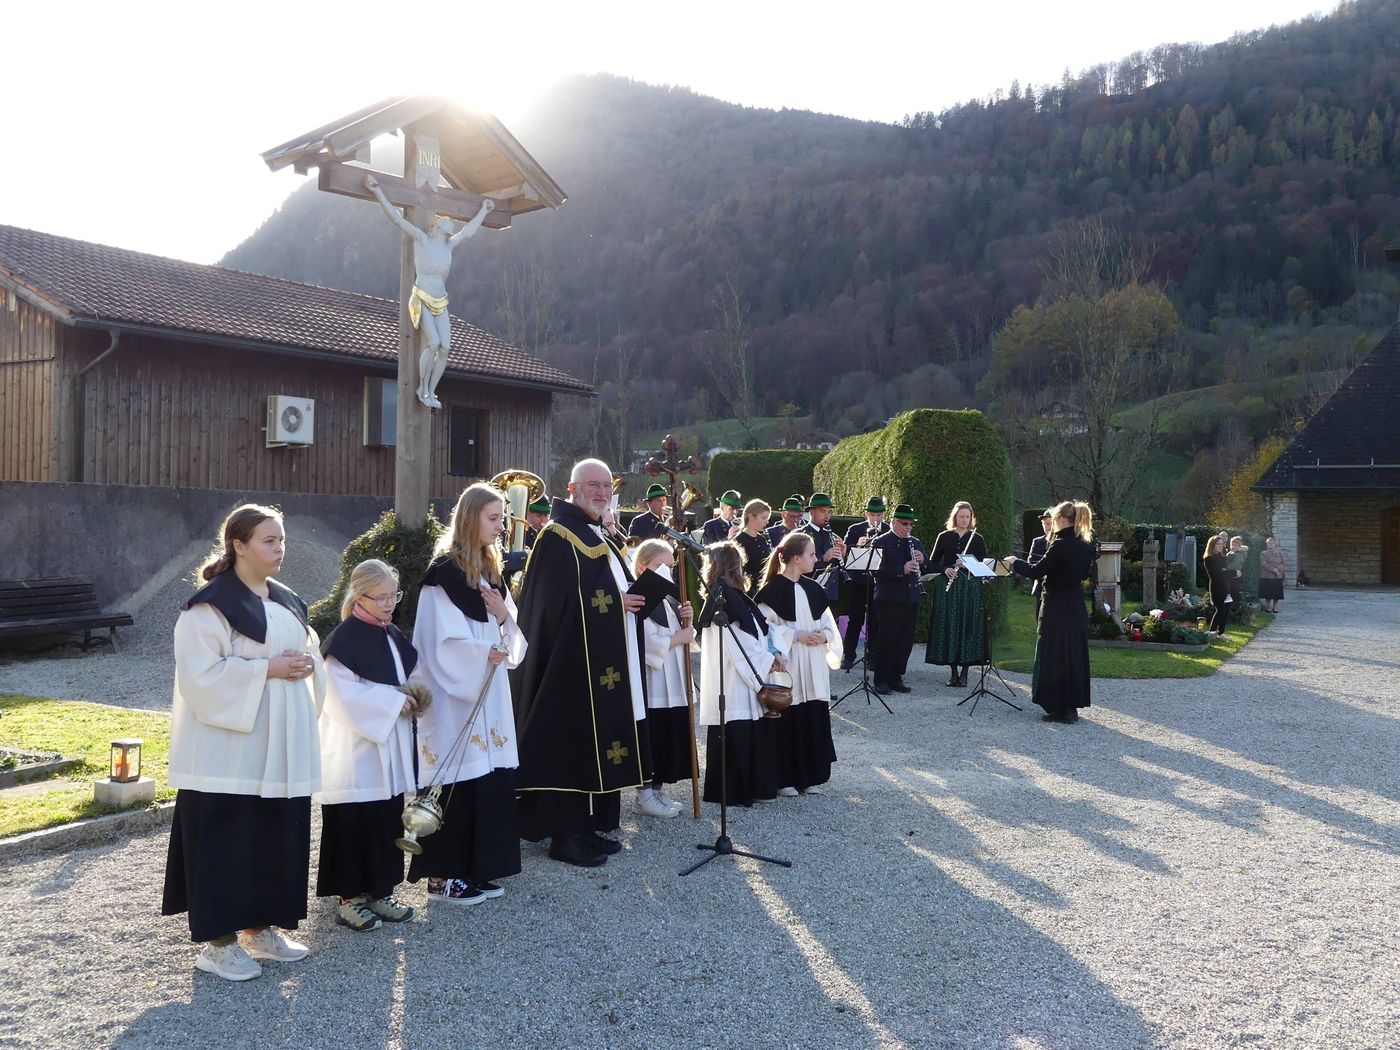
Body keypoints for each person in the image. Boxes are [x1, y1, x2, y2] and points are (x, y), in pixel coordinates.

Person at [162, 504, 324, 983]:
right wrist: (269, 669)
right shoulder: (210, 607)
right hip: (229, 750)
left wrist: (308, 663)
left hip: (279, 746)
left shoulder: (287, 599)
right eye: (269, 541)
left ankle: (260, 929)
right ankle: (218, 945)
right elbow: (200, 676)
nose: (280, 548)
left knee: (272, 834)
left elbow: (308, 650)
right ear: (239, 545)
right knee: (226, 839)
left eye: (281, 539)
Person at [510, 459, 650, 868]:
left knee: (592, 743)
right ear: (572, 489)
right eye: (593, 485)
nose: (602, 492)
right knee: (569, 742)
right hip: (568, 665)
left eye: (607, 486)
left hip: (599, 660)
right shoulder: (558, 536)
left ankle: (585, 826)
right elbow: (552, 603)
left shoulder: (593, 532)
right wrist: (615, 603)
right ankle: (565, 835)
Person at [412, 483, 528, 904]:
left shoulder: (489, 570)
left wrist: (502, 615)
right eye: (493, 519)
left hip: (488, 692)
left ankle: (475, 868)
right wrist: (484, 652)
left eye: (502, 518)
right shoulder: (443, 574)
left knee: (486, 779)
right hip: (454, 697)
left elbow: (510, 628)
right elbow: (437, 643)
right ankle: (442, 878)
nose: (501, 527)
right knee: (457, 780)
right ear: (469, 518)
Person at [314, 560, 424, 932]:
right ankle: (350, 899)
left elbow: (407, 676)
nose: (390, 603)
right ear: (360, 597)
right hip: (355, 752)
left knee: (384, 819)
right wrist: (393, 702)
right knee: (353, 824)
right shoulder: (344, 640)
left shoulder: (391, 634)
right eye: (382, 597)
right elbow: (340, 697)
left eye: (395, 595)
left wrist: (413, 696)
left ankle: (381, 892)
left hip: (387, 748)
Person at [364, 174, 494, 409]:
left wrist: (484, 211)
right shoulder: (422, 239)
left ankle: (432, 391)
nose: (452, 224)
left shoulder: (449, 246)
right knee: (433, 343)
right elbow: (397, 218)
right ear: (438, 225)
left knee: (445, 347)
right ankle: (422, 388)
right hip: (422, 296)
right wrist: (377, 191)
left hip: (440, 300)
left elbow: (468, 232)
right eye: (448, 221)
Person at [696, 542, 784, 806]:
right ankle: (735, 791)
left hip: (739, 674)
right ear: (734, 565)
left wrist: (769, 654)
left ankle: (746, 788)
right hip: (733, 677)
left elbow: (755, 630)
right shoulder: (725, 597)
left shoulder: (731, 595)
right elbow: (737, 643)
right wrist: (767, 661)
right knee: (736, 727)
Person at [755, 533, 840, 795]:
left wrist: (824, 636)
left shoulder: (814, 589)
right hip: (789, 663)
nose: (816, 558)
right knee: (788, 717)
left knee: (812, 714)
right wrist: (795, 635)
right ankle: (784, 779)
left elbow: (829, 624)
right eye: (811, 554)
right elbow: (763, 630)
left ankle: (809, 777)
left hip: (813, 663)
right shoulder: (771, 591)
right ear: (795, 558)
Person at [1004, 500, 1096, 723]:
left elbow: (1036, 571)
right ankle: (1071, 707)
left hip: (1056, 608)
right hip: (1075, 607)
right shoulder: (1086, 545)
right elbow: (1084, 574)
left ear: (1061, 519)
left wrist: (1015, 562)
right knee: (1073, 658)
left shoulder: (1060, 544)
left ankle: (1060, 708)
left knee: (1055, 658)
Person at [631, 539, 694, 818]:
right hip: (654, 680)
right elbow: (643, 642)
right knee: (653, 735)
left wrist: (687, 620)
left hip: (673, 679)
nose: (666, 571)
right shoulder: (639, 598)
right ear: (642, 568)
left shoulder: (668, 599)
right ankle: (644, 795)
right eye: (659, 566)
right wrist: (678, 638)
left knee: (669, 733)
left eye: (670, 566)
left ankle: (657, 790)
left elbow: (683, 634)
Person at [925, 501, 989, 688]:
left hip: (970, 588)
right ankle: (953, 673)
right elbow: (932, 563)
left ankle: (965, 673)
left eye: (967, 517)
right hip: (949, 588)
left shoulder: (977, 539)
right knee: (950, 626)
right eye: (961, 516)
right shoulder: (944, 536)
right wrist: (945, 569)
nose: (964, 520)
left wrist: (968, 564)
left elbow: (984, 564)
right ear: (955, 517)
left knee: (968, 626)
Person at [870, 504, 925, 695]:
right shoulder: (881, 542)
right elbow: (876, 571)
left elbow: (925, 567)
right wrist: (902, 569)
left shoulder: (915, 542)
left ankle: (896, 676)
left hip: (910, 598)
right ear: (893, 522)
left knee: (905, 641)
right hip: (889, 599)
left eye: (911, 524)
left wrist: (922, 560)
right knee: (887, 639)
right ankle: (881, 679)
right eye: (904, 523)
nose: (908, 527)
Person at [841, 496, 888, 671]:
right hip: (858, 581)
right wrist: (856, 545)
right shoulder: (855, 529)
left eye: (879, 515)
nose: (875, 519)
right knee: (855, 619)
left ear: (883, 514)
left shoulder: (888, 530)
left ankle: (873, 656)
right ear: (865, 513)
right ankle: (849, 655)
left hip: (878, 582)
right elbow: (844, 554)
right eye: (872, 515)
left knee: (876, 621)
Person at [801, 493, 846, 576]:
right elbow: (798, 564)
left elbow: (838, 569)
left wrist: (843, 554)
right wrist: (823, 558)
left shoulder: (833, 536)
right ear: (811, 512)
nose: (827, 516)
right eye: (823, 511)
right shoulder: (799, 535)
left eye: (829, 512)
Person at [735, 498, 774, 594]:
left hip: (764, 588)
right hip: (748, 591)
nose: (767, 522)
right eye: (763, 518)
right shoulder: (738, 541)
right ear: (751, 516)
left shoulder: (762, 539)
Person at [1202, 535, 1232, 636]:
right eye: (1218, 544)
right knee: (1221, 609)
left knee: (1226, 610)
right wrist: (1233, 572)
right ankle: (1212, 631)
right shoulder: (1209, 559)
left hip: (1226, 586)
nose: (1220, 546)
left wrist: (1228, 572)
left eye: (1221, 544)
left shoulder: (1222, 557)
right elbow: (1216, 574)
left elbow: (1225, 571)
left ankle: (1220, 632)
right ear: (1212, 545)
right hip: (1217, 587)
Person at [1028, 510, 1053, 618]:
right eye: (1045, 524)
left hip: (1059, 591)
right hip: (1041, 588)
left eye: (1050, 523)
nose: (1048, 527)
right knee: (1040, 620)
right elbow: (1031, 563)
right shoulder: (1037, 542)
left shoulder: (1064, 542)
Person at [1259, 536, 1285, 613]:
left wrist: (1278, 569)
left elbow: (1283, 563)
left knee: (1276, 593)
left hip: (1277, 576)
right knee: (1268, 593)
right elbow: (1263, 564)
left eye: (1272, 543)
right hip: (1267, 576)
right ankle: (1268, 607)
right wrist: (1273, 569)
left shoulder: (1280, 553)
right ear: (1266, 544)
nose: (1270, 544)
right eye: (1269, 543)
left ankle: (1275, 607)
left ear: (1275, 544)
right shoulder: (1263, 553)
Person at [1226, 535, 1249, 613]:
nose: (1233, 546)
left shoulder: (1239, 554)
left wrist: (1224, 568)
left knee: (1234, 592)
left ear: (1239, 546)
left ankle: (1237, 609)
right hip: (1230, 575)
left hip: (1235, 575)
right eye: (1232, 544)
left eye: (1235, 545)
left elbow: (1234, 565)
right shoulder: (1232, 553)